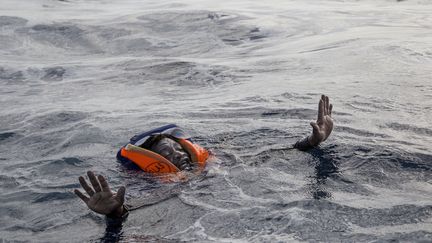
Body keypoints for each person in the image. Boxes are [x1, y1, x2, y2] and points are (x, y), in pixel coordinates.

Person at [74, 95, 334, 227]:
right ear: (151, 166)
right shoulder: (161, 189)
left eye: (177, 149)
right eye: (164, 153)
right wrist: (115, 213)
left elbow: (270, 155)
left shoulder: (216, 166)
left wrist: (311, 143)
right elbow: (135, 208)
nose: (174, 154)